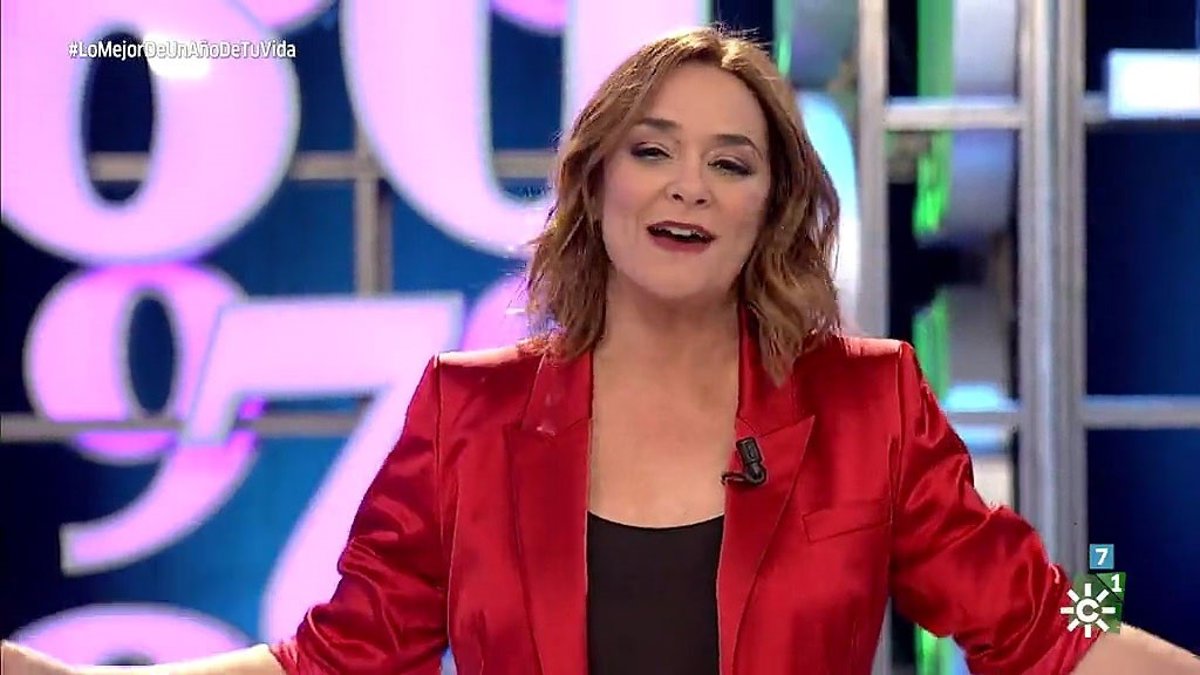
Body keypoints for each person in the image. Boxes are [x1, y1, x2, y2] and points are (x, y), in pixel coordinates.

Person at [4, 24, 1199, 675]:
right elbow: (339, 663)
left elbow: (1042, 629)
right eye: (653, 150)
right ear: (596, 183)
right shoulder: (467, 412)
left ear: (772, 207)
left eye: (731, 162)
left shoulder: (866, 399)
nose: (689, 186)